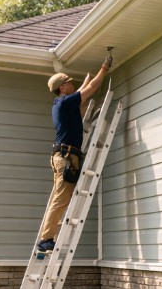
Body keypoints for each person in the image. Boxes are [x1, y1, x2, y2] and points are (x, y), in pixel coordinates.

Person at [36, 53, 113, 253]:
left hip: (65, 156)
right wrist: (104, 68)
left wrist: (88, 78)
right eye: (69, 82)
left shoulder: (62, 103)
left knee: (62, 198)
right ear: (62, 87)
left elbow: (81, 90)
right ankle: (46, 239)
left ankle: (50, 235)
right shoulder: (64, 103)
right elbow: (91, 89)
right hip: (66, 157)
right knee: (61, 198)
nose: (72, 84)